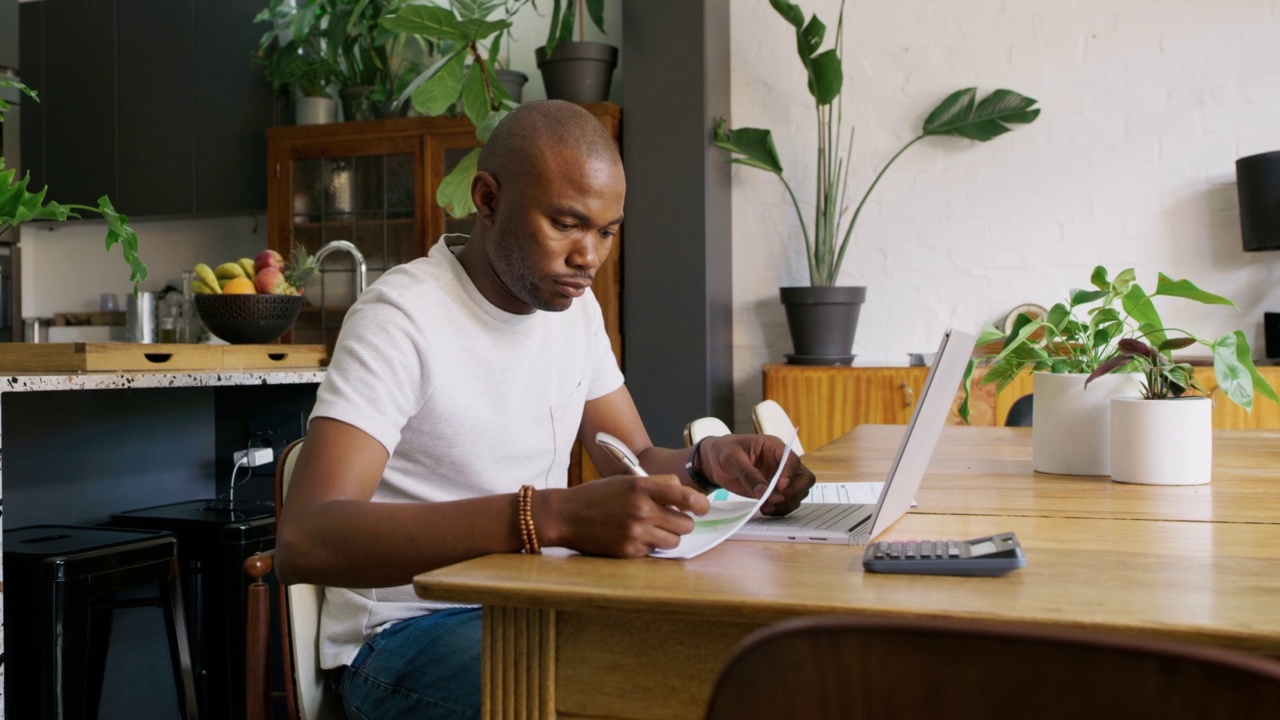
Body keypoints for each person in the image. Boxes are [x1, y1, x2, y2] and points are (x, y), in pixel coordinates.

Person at [275, 99, 816, 720]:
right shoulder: (401, 319)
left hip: (539, 604)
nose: (588, 256)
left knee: (734, 672)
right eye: (565, 224)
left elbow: (634, 459)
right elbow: (307, 539)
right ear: (487, 200)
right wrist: (546, 517)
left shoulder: (573, 310)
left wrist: (704, 463)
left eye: (607, 231)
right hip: (408, 634)